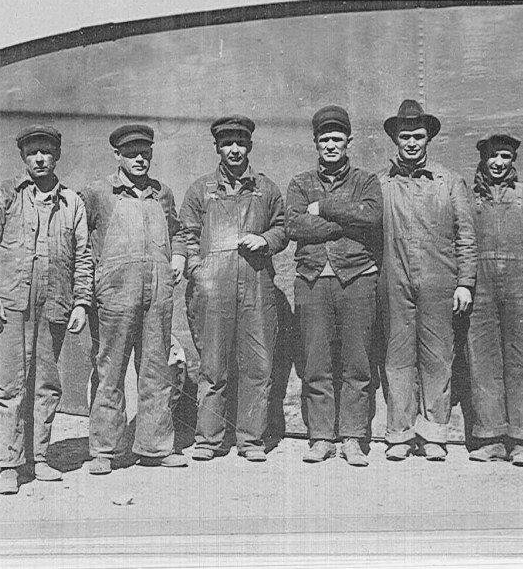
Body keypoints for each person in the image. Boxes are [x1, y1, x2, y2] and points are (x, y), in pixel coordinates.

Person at [0, 125, 92, 495]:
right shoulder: (4, 195)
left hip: (54, 305)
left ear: (57, 156)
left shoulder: (72, 202)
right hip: (9, 306)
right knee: (9, 384)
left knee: (46, 384)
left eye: (47, 152)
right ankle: (9, 463)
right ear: (23, 157)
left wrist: (82, 301)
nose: (40, 158)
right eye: (33, 153)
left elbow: (84, 256)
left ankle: (39, 458)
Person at [176, 115, 288, 462]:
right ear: (217, 148)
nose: (234, 149)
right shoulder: (201, 190)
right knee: (213, 367)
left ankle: (251, 440)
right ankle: (209, 440)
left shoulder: (266, 189)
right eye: (227, 143)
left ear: (249, 146)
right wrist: (199, 272)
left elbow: (284, 228)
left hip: (256, 287)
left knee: (258, 366)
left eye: (240, 143)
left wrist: (265, 239)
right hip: (214, 291)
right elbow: (186, 235)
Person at [79, 124, 187, 474]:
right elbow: (78, 240)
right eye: (131, 153)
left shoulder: (163, 194)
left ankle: (154, 447)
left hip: (157, 296)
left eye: (145, 153)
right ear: (118, 156)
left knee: (156, 371)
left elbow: (180, 232)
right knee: (109, 372)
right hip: (114, 297)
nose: (140, 158)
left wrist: (180, 256)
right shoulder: (98, 193)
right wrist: (91, 284)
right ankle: (104, 450)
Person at [378, 99, 476, 461]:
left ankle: (434, 435)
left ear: (428, 139)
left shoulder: (450, 183)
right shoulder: (381, 184)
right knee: (398, 357)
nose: (412, 143)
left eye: (418, 136)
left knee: (438, 358)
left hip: (440, 282)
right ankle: (400, 435)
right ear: (395, 140)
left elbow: (466, 235)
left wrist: (465, 282)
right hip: (395, 280)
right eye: (405, 137)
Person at [286, 105, 383, 466]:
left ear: (348, 142)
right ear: (315, 143)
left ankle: (354, 438)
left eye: (336, 139)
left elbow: (372, 216)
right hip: (312, 279)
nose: (330, 145)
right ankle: (322, 437)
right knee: (316, 361)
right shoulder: (299, 183)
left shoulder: (366, 180)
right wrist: (345, 220)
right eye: (324, 139)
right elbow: (295, 226)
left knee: (358, 362)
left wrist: (323, 207)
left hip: (357, 278)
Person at [465, 134, 523, 467]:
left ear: (513, 160)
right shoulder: (468, 199)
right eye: (493, 156)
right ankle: (490, 439)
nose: (498, 162)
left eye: (505, 156)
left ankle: (521, 441)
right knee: (483, 364)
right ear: (483, 159)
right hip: (481, 292)